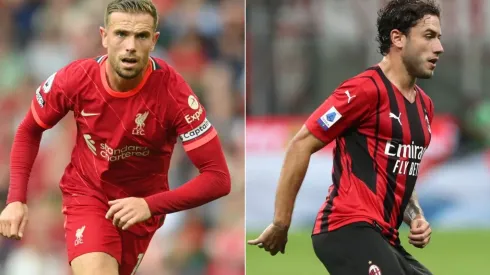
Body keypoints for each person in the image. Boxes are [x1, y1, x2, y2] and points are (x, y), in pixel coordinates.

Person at [0, 1, 231, 275]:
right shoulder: (76, 79)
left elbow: (218, 178)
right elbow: (29, 129)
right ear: (104, 37)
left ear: (154, 41)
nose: (130, 45)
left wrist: (149, 205)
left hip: (141, 211)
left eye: (141, 36)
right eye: (121, 34)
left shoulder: (173, 93)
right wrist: (16, 199)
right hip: (88, 195)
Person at [248, 0, 443, 274]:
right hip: (346, 228)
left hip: (384, 237)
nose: (439, 47)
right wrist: (281, 222)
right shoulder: (363, 90)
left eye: (439, 38)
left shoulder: (424, 106)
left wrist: (416, 216)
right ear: (398, 38)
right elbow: (301, 144)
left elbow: (398, 172)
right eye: (429, 36)